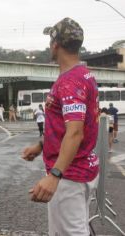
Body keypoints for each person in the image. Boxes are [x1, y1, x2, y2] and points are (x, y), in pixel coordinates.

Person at [22, 17, 99, 235]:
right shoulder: (85, 75)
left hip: (69, 175)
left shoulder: (69, 81)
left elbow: (75, 132)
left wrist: (54, 175)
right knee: (78, 227)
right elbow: (69, 128)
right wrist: (41, 145)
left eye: (50, 40)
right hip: (84, 168)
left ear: (56, 44)